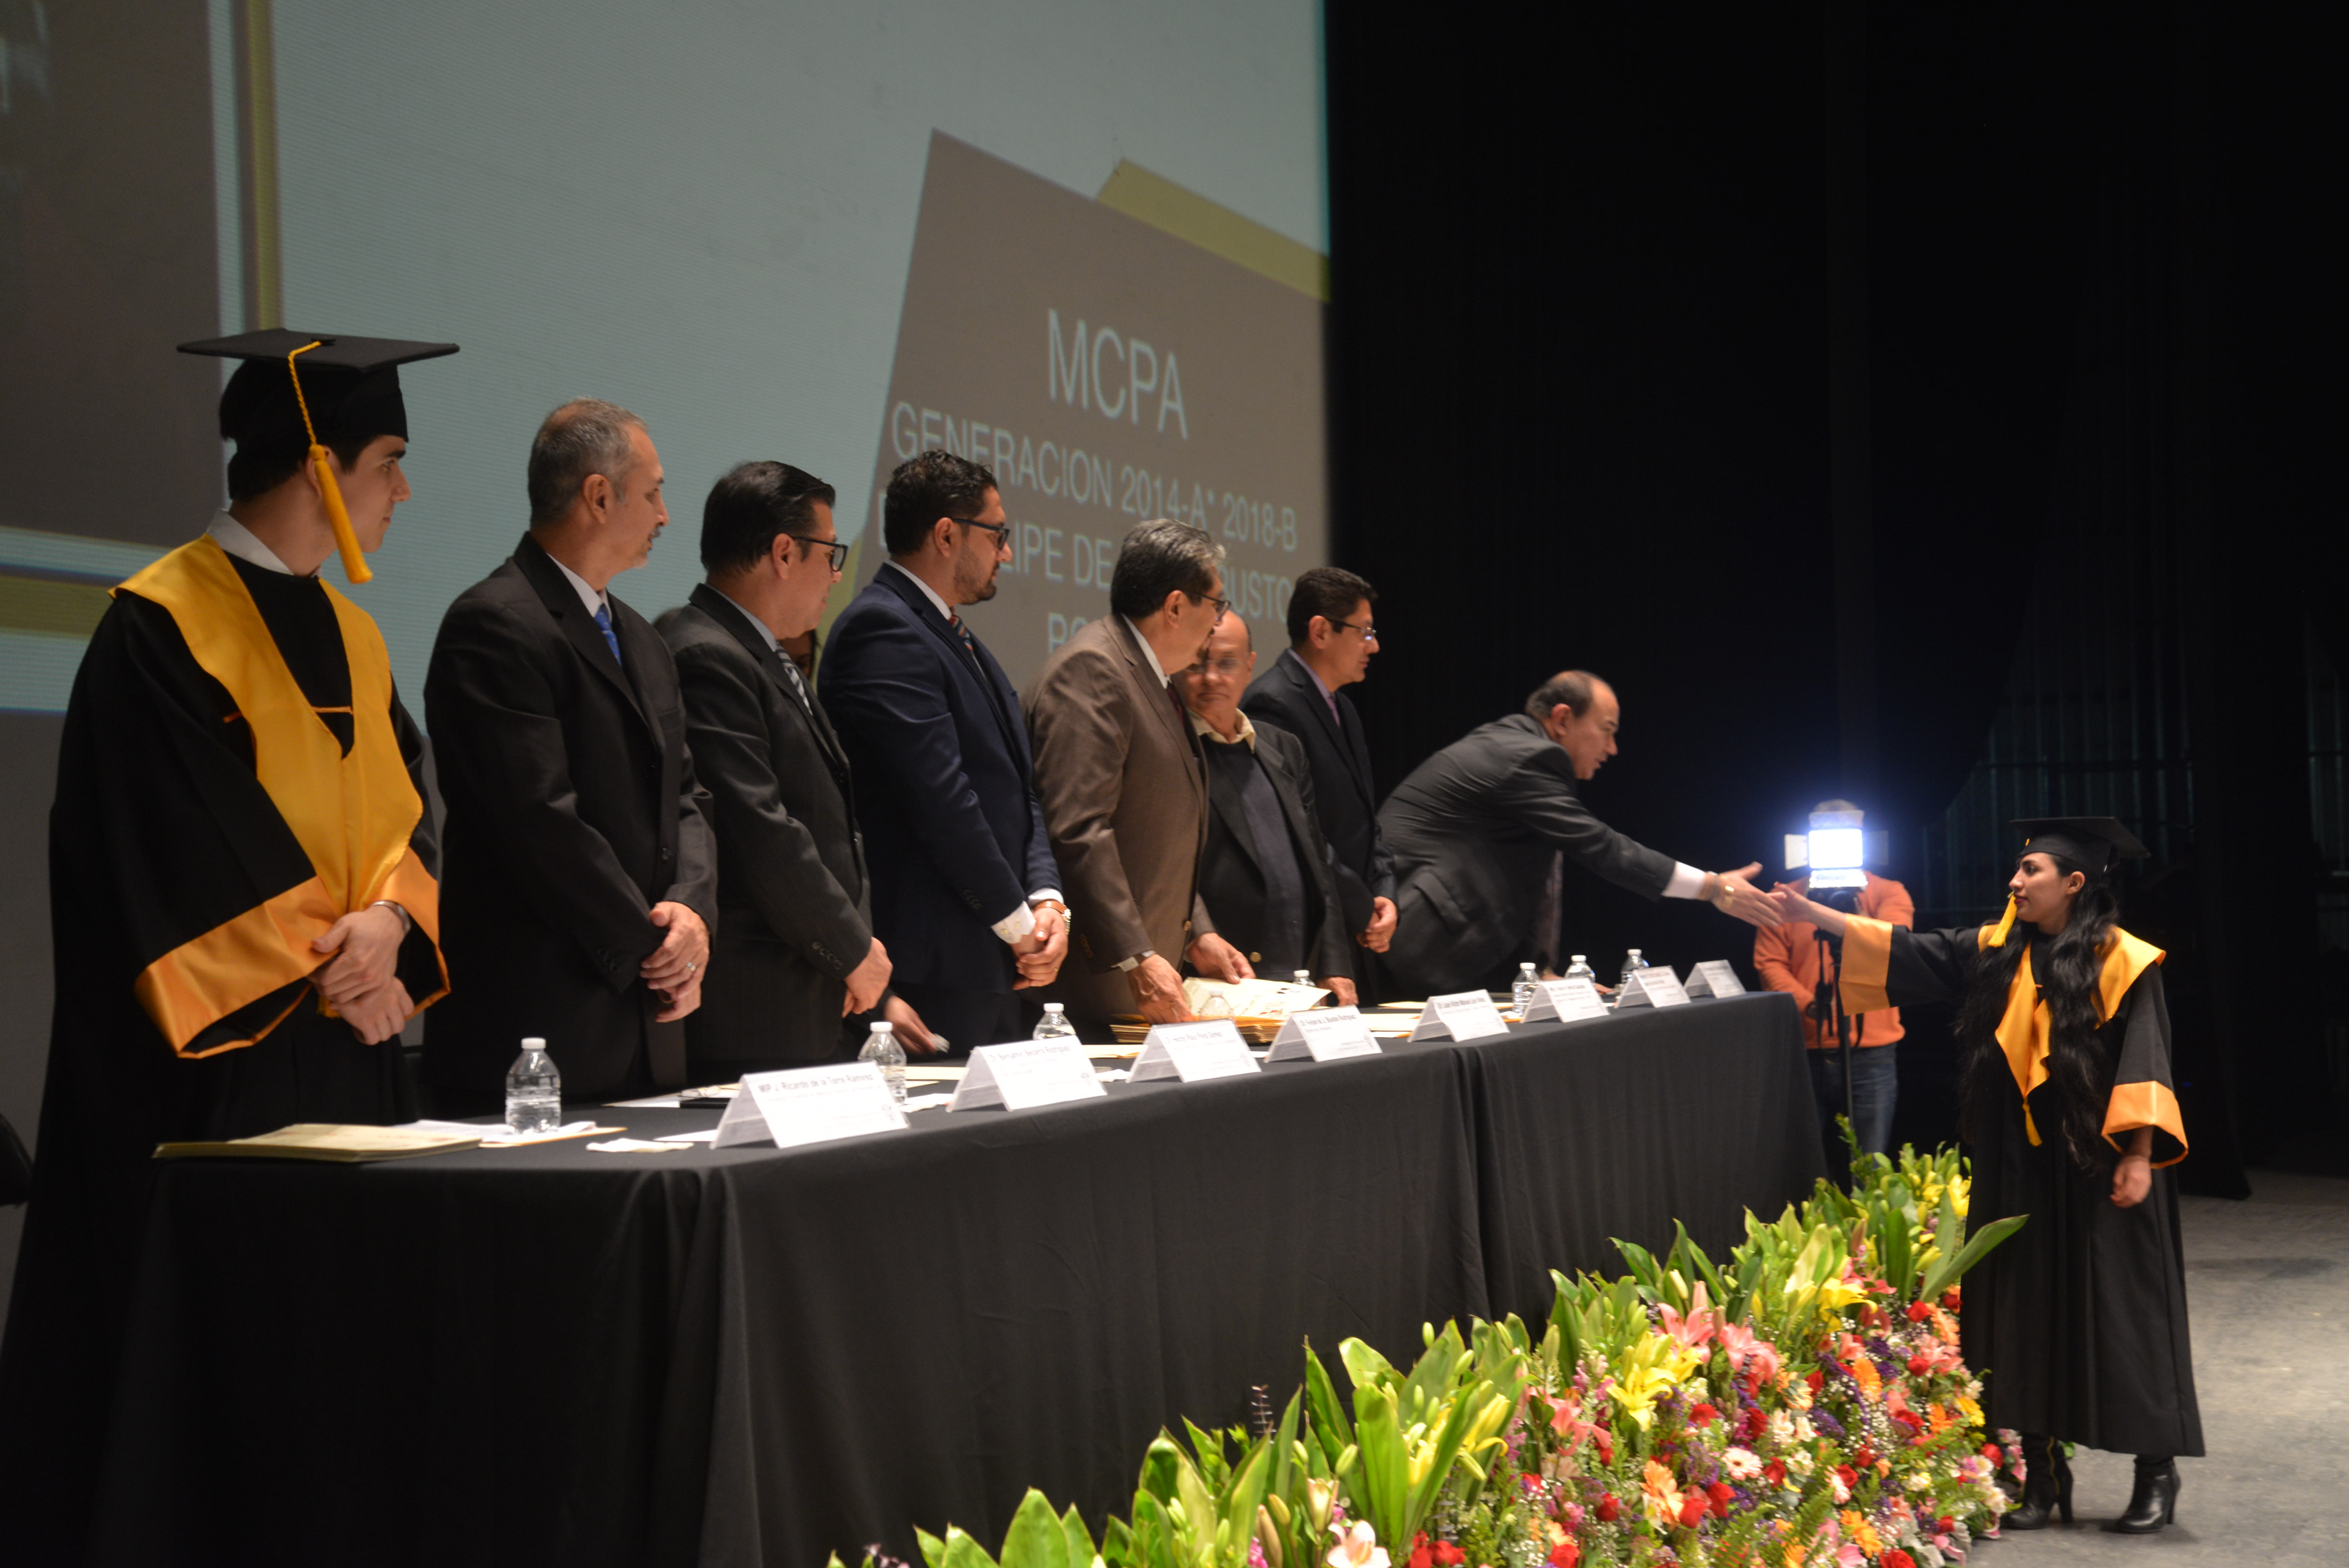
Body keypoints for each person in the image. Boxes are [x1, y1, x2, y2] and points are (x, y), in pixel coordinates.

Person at [0, 328, 458, 1561]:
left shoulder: (357, 637)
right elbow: (177, 850)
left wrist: (391, 927)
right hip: (218, 1092)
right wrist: (347, 967)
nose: (403, 489)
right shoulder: (159, 625)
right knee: (219, 1422)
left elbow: (411, 819)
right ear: (318, 468)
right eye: (388, 460)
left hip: (351, 1071)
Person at [1772, 817, 2199, 1534]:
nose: (2014, 881)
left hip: (2097, 1160)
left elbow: (2146, 1059)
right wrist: (1809, 911)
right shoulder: (1996, 952)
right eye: (2017, 869)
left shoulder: (2124, 959)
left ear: (2074, 882)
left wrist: (2137, 1155)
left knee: (2122, 1312)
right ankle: (2042, 1474)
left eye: (2031, 871)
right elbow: (1902, 949)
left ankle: (2156, 1470)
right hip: (2018, 1163)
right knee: (2021, 1310)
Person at [422, 400, 715, 1108]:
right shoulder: (495, 623)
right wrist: (653, 949)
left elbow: (687, 798)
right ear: (598, 496)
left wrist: (691, 915)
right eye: (653, 493)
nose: (665, 515)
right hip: (541, 1027)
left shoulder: (643, 638)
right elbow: (539, 821)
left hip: (649, 1021)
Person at [661, 461, 920, 1078]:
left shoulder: (758, 652)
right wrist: (852, 949)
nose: (836, 575)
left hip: (806, 992)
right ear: (783, 553)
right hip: (755, 1008)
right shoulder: (706, 653)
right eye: (830, 555)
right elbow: (760, 831)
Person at [821, 451, 1066, 1050]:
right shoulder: (883, 629)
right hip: (933, 972)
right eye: (998, 534)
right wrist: (1018, 925)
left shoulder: (955, 636)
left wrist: (1047, 903)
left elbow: (1019, 790)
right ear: (947, 535)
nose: (1007, 553)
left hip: (997, 961)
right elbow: (942, 802)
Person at [1377, 669, 1780, 996]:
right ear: (1563, 719)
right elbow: (1603, 848)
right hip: (1415, 940)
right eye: (1607, 729)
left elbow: (1526, 877)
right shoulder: (1529, 756)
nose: (1612, 748)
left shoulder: (1515, 745)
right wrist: (1713, 887)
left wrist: (1539, 972)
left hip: (1435, 944)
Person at [1025, 519, 1249, 1028]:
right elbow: (1079, 830)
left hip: (1140, 989)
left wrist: (1199, 932)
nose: (1218, 621)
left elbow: (1150, 836)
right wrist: (1135, 957)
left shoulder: (1151, 677)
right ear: (1175, 606)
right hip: (1091, 995)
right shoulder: (1093, 668)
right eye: (1216, 605)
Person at [1178, 611, 1358, 1004]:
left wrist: (1335, 963)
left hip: (1298, 979)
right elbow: (1163, 869)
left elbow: (1317, 863)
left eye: (1227, 663)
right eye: (1197, 664)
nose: (1212, 678)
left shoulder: (1283, 747)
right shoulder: (1169, 752)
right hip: (1219, 983)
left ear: (1249, 667)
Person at [1241, 567, 1399, 965]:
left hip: (1356, 924)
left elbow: (1365, 820)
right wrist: (1363, 905)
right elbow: (1298, 831)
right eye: (1365, 632)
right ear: (1321, 631)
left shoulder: (1344, 707)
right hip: (1314, 936)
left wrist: (1384, 891)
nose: (1374, 646)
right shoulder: (1272, 702)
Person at [1753, 799, 1915, 1160]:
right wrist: (1810, 1005)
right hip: (1804, 1049)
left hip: (1871, 1051)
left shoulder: (1889, 892)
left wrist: (1854, 919)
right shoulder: (1785, 898)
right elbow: (1770, 964)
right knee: (1803, 1162)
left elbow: (1895, 946)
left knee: (1869, 1165)